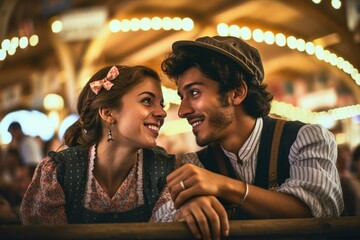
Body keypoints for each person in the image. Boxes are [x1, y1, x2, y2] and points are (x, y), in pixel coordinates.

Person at [161, 36, 344, 239]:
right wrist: (187, 206)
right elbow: (163, 215)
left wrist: (223, 185)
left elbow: (315, 209)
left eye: (194, 93)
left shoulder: (307, 138)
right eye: (181, 97)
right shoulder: (196, 164)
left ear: (237, 92)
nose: (182, 111)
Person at [20, 65, 177, 224]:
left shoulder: (165, 170)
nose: (162, 113)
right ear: (108, 113)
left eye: (161, 104)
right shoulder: (60, 172)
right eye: (147, 101)